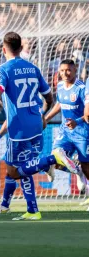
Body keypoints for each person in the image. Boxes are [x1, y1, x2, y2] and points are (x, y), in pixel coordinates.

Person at [0, 32, 78, 221]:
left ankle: (52, 159)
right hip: (36, 124)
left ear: (4, 50)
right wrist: (42, 114)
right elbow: (50, 97)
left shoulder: (3, 70)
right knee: (24, 167)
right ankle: (29, 210)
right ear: (20, 48)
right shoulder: (33, 68)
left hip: (18, 129)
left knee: (13, 171)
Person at [43, 59, 89, 198]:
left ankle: (81, 172)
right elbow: (60, 104)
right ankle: (77, 171)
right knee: (56, 159)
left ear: (75, 70)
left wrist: (77, 121)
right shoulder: (61, 86)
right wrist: (46, 118)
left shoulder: (81, 88)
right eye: (62, 70)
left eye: (68, 70)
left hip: (82, 133)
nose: (65, 73)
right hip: (65, 131)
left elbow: (88, 113)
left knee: (86, 167)